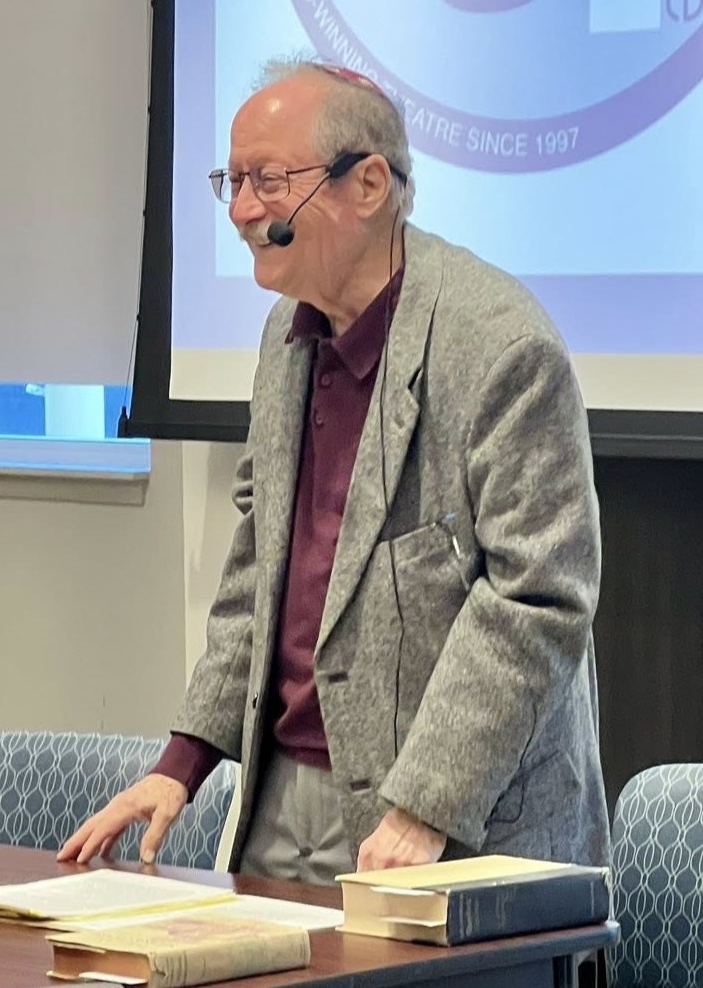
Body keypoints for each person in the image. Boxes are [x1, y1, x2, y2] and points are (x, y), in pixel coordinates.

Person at [59, 59, 610, 884]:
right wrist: (182, 761)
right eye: (234, 182)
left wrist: (425, 807)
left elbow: (537, 598)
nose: (243, 210)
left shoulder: (502, 346)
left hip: (460, 825)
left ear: (370, 185)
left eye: (270, 181)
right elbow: (262, 568)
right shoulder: (286, 335)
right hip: (284, 797)